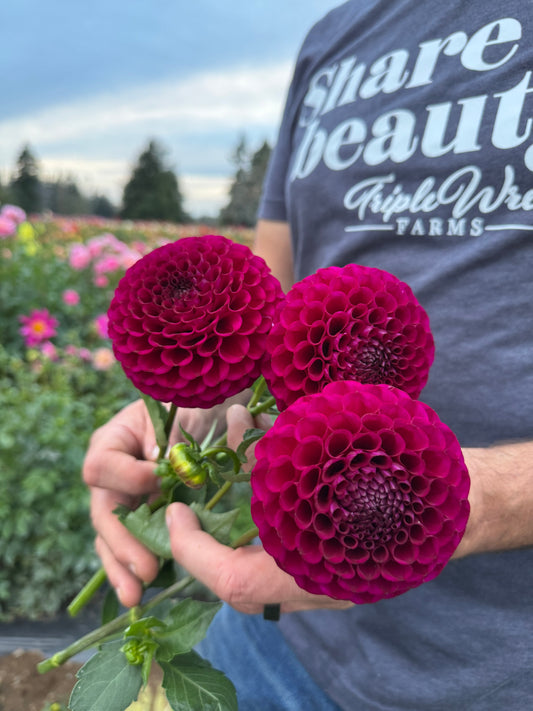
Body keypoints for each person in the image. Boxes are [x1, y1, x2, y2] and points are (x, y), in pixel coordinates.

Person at [83, 1, 533, 708]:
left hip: (492, 672)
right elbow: (272, 289)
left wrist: (479, 500)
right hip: (271, 634)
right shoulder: (334, 36)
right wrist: (193, 409)